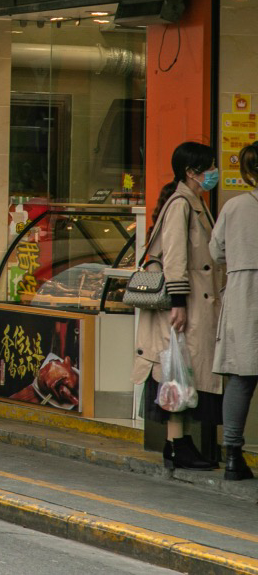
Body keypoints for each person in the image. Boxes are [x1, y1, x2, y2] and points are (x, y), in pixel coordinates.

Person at [134, 141, 223, 471]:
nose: (214, 172)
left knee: (181, 371)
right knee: (178, 371)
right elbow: (174, 258)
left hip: (193, 303)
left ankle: (177, 445)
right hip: (184, 305)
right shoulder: (182, 204)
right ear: (192, 172)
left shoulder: (192, 202)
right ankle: (179, 445)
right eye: (209, 167)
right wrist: (178, 303)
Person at [212, 142, 258, 481]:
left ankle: (232, 455)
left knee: (241, 376)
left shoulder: (234, 206)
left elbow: (216, 251)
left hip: (243, 291)